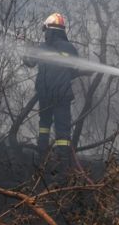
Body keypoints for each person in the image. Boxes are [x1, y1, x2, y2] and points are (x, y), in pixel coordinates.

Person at [24, 12, 79, 163]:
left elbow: (29, 62)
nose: (45, 34)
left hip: (45, 94)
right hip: (62, 95)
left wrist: (27, 50)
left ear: (50, 30)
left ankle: (42, 155)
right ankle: (62, 159)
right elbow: (75, 69)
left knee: (44, 125)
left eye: (46, 31)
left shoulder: (42, 48)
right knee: (63, 128)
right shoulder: (70, 48)